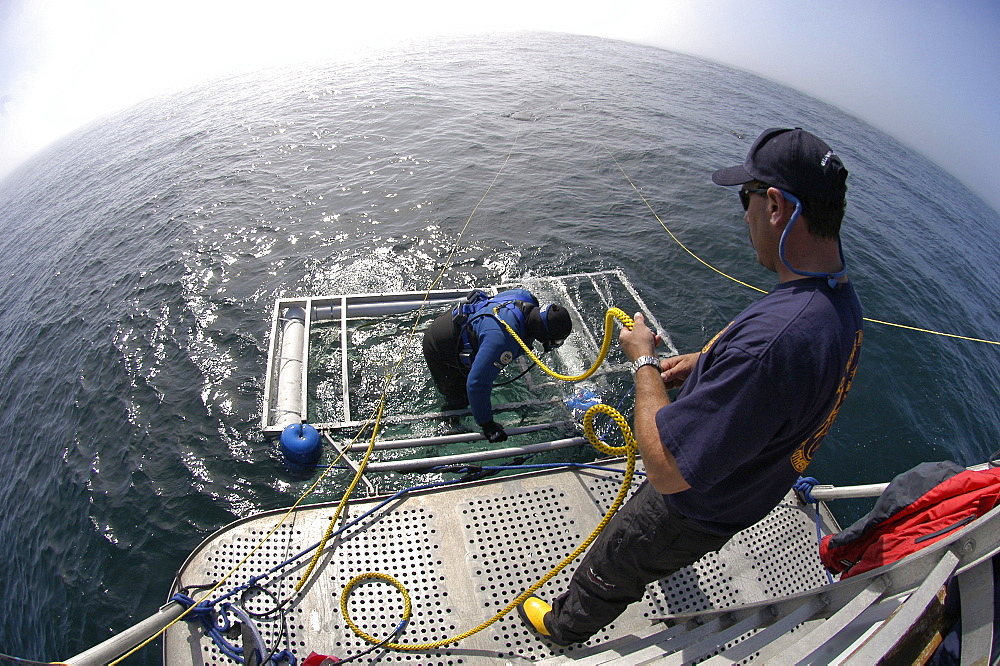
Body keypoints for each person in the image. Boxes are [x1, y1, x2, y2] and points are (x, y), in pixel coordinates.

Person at [518, 127, 865, 645]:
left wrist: (643, 362)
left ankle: (565, 627)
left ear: (774, 205)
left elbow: (665, 469)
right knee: (654, 550)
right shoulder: (838, 305)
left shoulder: (778, 339)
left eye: (744, 199)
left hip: (692, 505)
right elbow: (779, 372)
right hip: (747, 491)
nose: (741, 216)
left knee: (620, 556)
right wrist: (709, 362)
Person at [422, 288, 573, 443]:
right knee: (460, 398)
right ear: (544, 334)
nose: (554, 345)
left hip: (455, 319)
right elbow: (476, 384)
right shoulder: (503, 340)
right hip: (439, 347)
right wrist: (487, 424)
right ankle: (448, 427)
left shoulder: (526, 298)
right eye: (556, 342)